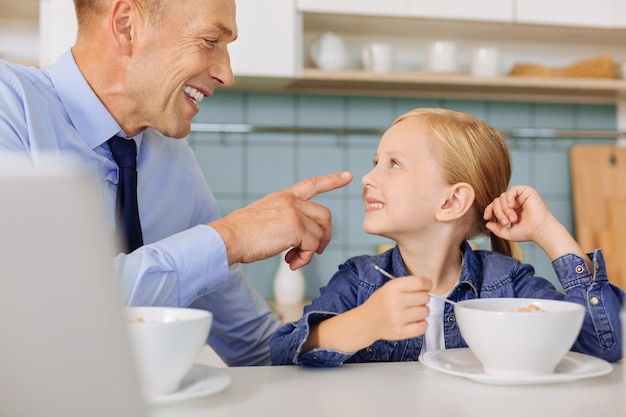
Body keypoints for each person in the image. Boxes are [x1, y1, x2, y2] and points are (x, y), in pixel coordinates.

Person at [0, 0, 352, 366]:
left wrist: (363, 332)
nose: (227, 74)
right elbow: (40, 304)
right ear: (126, 26)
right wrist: (230, 237)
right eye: (210, 40)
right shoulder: (10, 105)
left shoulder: (175, 160)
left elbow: (253, 344)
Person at [270, 107, 624, 366]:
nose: (368, 177)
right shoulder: (360, 282)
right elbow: (283, 353)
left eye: (393, 164)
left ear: (452, 201)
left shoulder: (507, 283)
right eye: (375, 161)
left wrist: (548, 231)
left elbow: (601, 347)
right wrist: (365, 322)